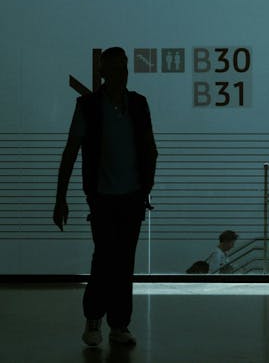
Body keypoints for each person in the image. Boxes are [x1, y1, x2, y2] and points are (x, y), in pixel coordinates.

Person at [52, 47, 158, 346]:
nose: (120, 74)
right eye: (115, 69)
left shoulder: (137, 104)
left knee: (121, 260)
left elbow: (150, 146)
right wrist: (60, 197)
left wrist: (145, 186)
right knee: (107, 258)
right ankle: (100, 319)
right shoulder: (88, 106)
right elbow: (70, 152)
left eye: (123, 68)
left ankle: (114, 323)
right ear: (103, 73)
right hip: (103, 197)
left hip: (131, 196)